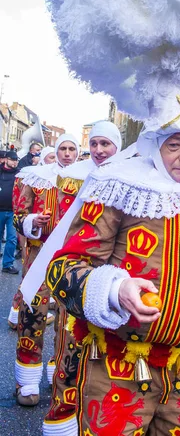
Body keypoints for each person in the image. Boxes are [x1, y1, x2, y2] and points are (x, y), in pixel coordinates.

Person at [46, 95, 180, 435]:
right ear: (156, 144)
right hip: (117, 366)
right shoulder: (121, 188)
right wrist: (115, 289)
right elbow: (63, 268)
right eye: (175, 145)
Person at [43, 121, 122, 436]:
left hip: (115, 285)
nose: (100, 151)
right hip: (79, 277)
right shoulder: (73, 179)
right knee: (70, 350)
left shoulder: (133, 182)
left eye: (107, 144)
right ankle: (63, 419)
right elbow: (65, 231)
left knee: (108, 364)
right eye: (96, 144)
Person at [13, 134, 79, 407]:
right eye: (62, 148)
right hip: (39, 260)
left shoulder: (88, 181)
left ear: (76, 153)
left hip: (72, 263)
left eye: (71, 149)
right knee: (33, 316)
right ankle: (27, 381)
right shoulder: (36, 179)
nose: (66, 153)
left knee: (69, 322)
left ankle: (59, 375)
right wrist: (31, 221)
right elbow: (18, 216)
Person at [7, 147, 56, 329]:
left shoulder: (64, 179)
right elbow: (18, 205)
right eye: (51, 157)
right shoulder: (29, 176)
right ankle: (16, 312)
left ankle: (40, 307)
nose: (54, 160)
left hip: (53, 241)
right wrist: (29, 224)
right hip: (32, 235)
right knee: (30, 277)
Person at [0, 150, 20, 274]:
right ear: (6, 159)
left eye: (16, 160)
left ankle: (7, 264)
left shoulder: (19, 174)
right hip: (0, 210)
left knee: (12, 239)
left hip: (13, 211)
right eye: (13, 160)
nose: (15, 162)